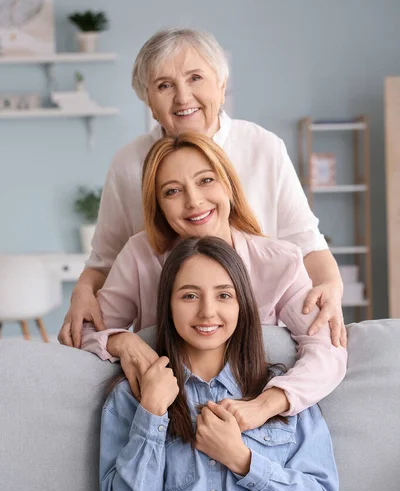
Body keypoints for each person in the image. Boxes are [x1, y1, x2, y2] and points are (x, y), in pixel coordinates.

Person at [59, 27, 345, 350]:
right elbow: (104, 261)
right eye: (164, 85)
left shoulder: (264, 148)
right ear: (149, 103)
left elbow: (306, 243)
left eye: (196, 78)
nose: (183, 97)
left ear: (221, 86)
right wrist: (83, 291)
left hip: (256, 341)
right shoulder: (128, 165)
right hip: (166, 348)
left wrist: (332, 285)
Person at [100, 236, 339, 491]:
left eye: (224, 295)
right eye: (189, 295)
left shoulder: (281, 393)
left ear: (242, 304)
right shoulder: (131, 395)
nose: (207, 311)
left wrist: (243, 461)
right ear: (167, 304)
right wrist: (152, 412)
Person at [82, 133, 346, 429]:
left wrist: (265, 405)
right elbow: (85, 331)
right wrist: (122, 341)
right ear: (158, 205)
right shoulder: (139, 256)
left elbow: (327, 350)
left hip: (253, 426)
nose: (194, 201)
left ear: (229, 186)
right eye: (172, 191)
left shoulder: (280, 262)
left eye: (206, 180)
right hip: (167, 423)